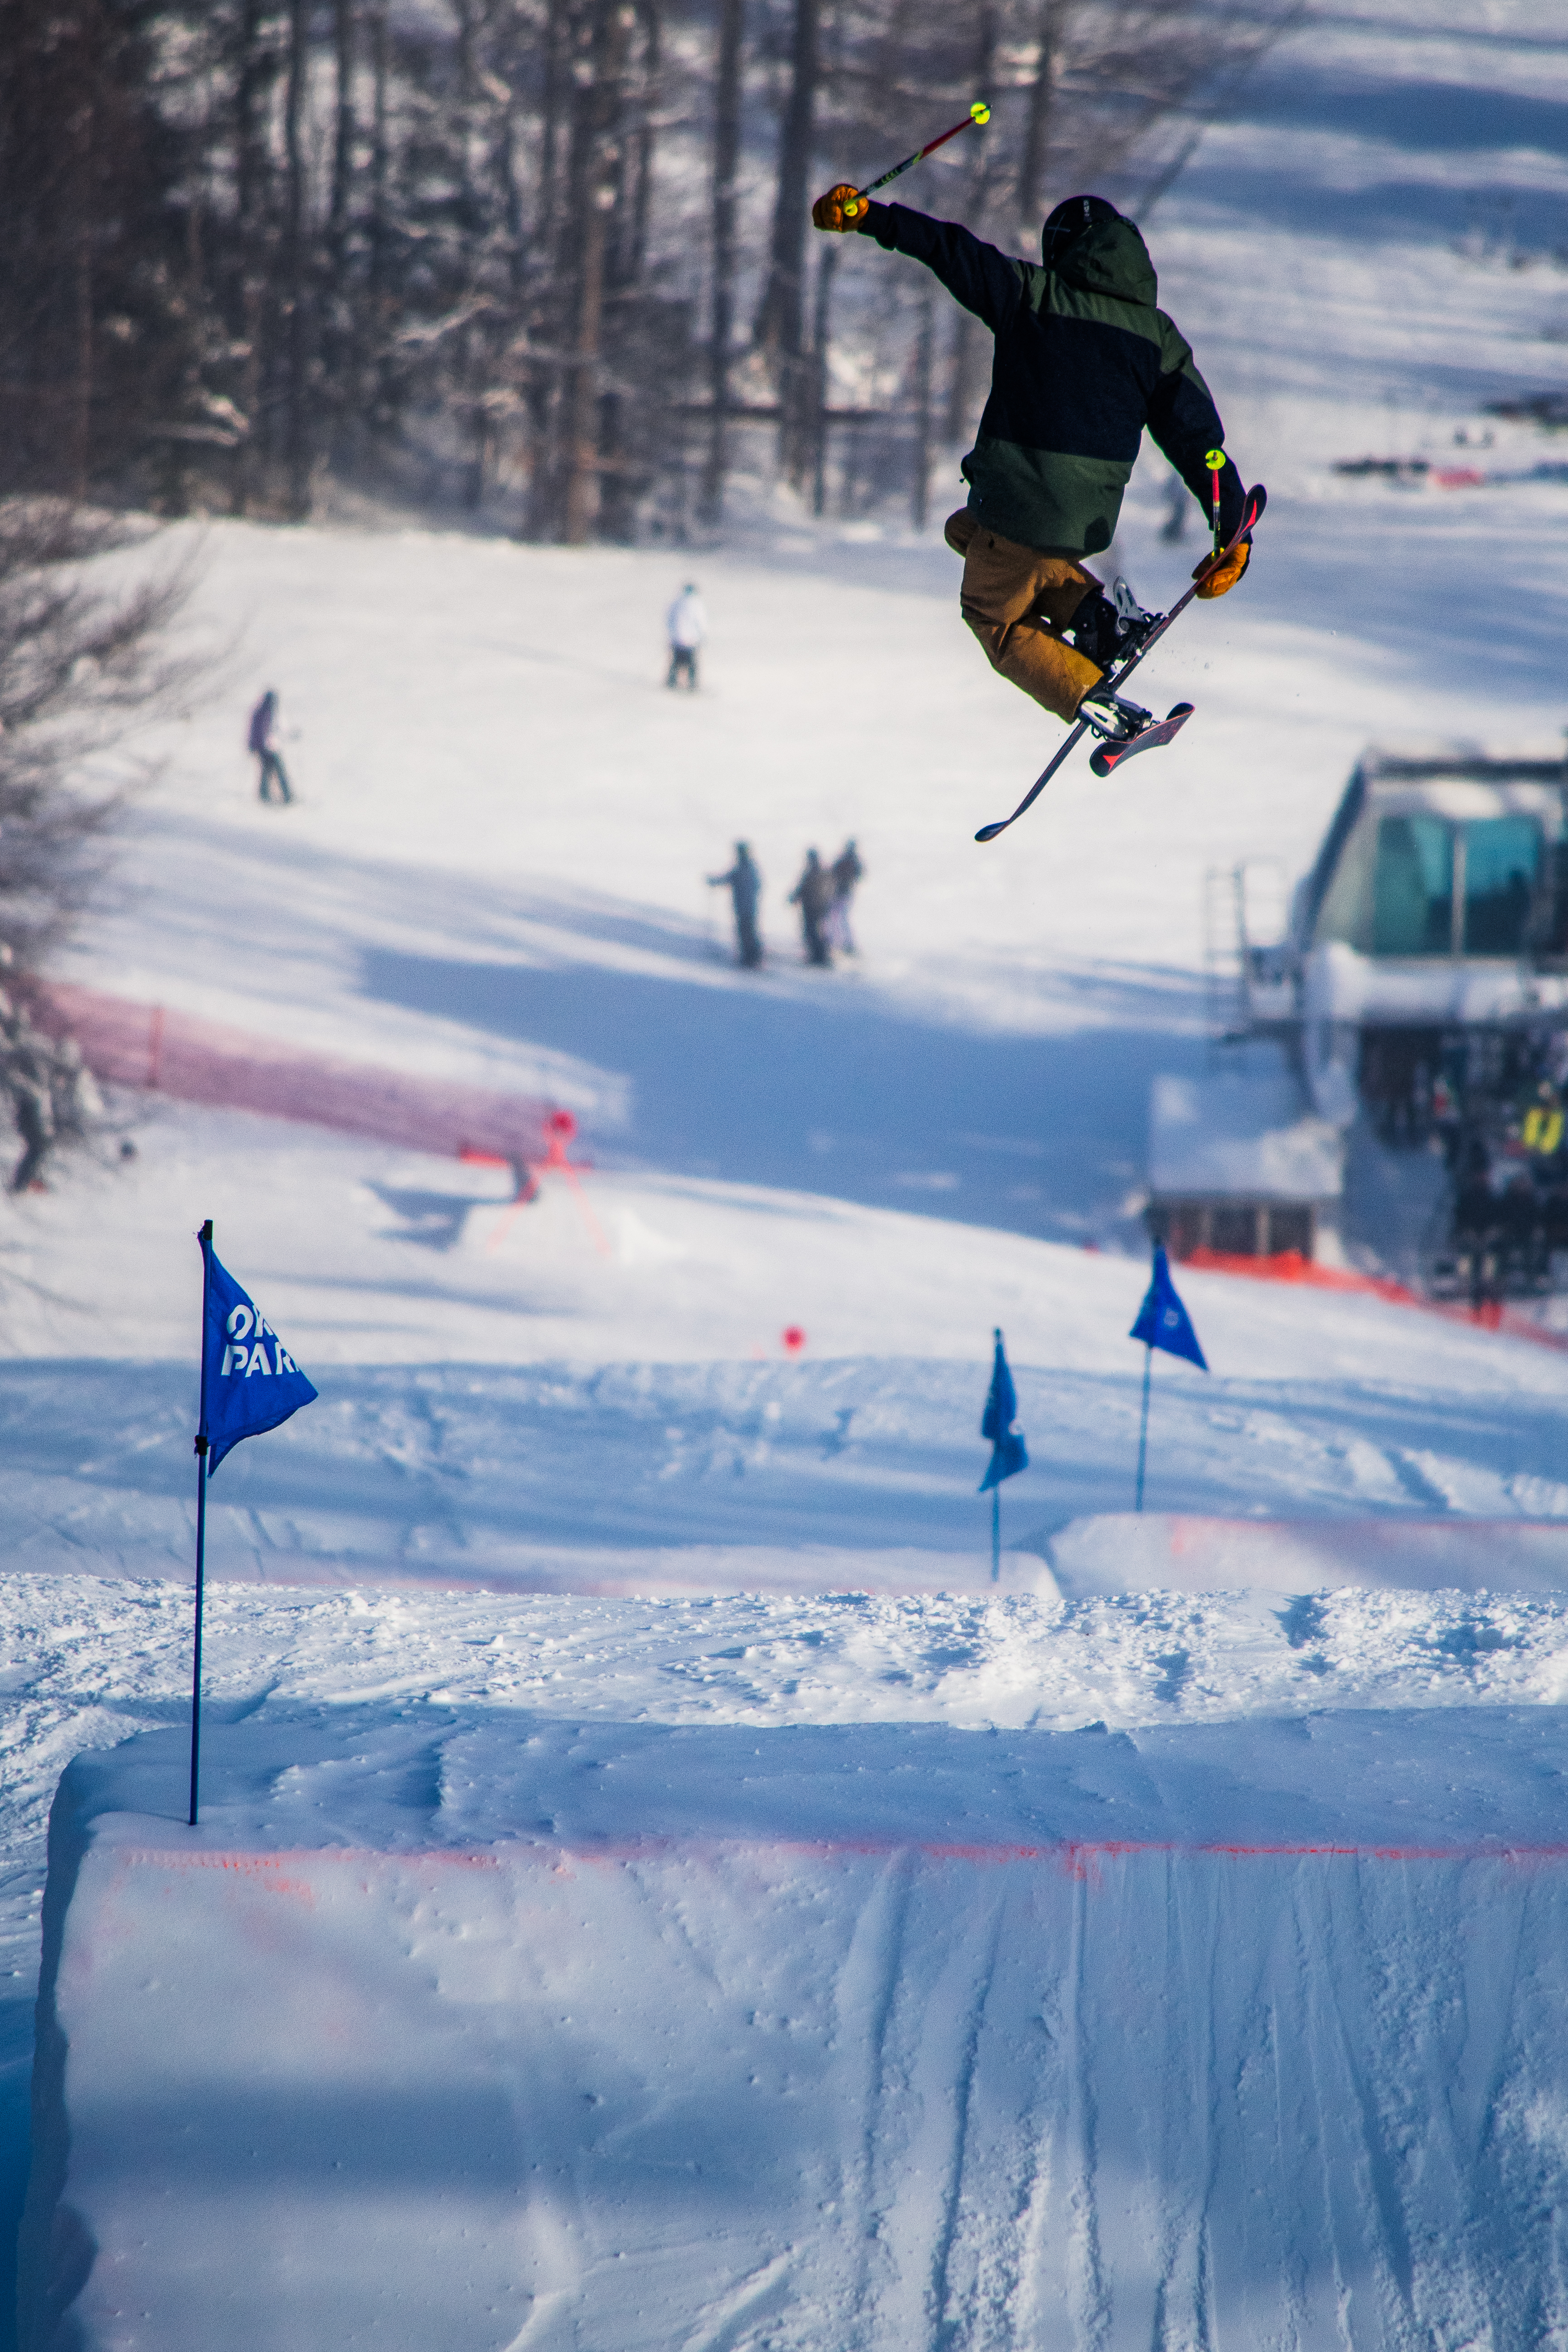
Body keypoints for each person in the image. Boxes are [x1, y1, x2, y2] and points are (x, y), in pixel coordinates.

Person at [810, 184, 1252, 744]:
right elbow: (1200, 441)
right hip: (1084, 524)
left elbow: (951, 249)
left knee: (991, 615)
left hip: (1018, 503)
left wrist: (870, 216)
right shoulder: (1157, 338)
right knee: (969, 535)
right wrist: (1230, 526)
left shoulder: (1033, 294)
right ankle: (1101, 622)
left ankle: (1091, 698)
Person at [708, 842, 764, 968]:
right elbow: (758, 885)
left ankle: (751, 958)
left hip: (743, 906)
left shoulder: (742, 869)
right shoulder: (751, 868)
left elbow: (726, 879)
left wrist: (713, 882)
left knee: (746, 932)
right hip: (750, 906)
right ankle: (753, 957)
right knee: (749, 931)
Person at [789, 850, 835, 968]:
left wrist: (794, 898)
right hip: (821, 907)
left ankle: (818, 956)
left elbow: (803, 888)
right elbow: (831, 889)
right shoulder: (824, 872)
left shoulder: (811, 873)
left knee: (811, 932)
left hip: (811, 907)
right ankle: (821, 955)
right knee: (818, 931)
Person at [247, 689, 292, 804]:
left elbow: (253, 732)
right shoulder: (268, 713)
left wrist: (252, 746)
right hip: (268, 749)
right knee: (278, 771)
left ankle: (265, 796)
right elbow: (271, 731)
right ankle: (287, 797)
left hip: (262, 748)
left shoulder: (259, 712)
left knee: (267, 771)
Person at [665, 584, 706, 691]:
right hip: (691, 640)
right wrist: (702, 636)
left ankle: (671, 682)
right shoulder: (697, 604)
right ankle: (693, 685)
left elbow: (669, 619)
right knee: (692, 664)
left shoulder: (677, 603)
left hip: (677, 640)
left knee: (676, 662)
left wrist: (672, 634)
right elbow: (701, 622)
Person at [826, 840, 863, 955]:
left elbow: (833, 872)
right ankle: (846, 944)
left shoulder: (845, 860)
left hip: (841, 893)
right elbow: (860, 876)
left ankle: (838, 943)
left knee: (836, 917)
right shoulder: (855, 861)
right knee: (841, 918)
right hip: (846, 893)